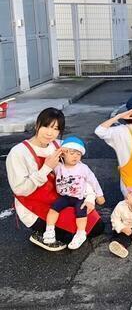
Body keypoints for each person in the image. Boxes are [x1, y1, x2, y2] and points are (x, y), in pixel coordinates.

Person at [6, 108, 104, 252]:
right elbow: (20, 190)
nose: (50, 133)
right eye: (46, 126)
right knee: (69, 236)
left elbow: (81, 173)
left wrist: (90, 197)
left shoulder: (60, 146)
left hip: (61, 198)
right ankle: (39, 232)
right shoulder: (18, 153)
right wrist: (46, 168)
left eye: (56, 129)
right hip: (33, 206)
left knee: (97, 227)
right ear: (37, 124)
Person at [43, 136, 103, 250]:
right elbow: (48, 162)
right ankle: (49, 230)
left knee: (81, 213)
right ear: (63, 153)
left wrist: (99, 195)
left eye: (78, 154)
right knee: (53, 209)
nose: (75, 156)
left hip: (79, 197)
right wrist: (59, 151)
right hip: (64, 196)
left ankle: (81, 234)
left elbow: (93, 181)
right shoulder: (58, 167)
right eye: (72, 153)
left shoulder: (83, 168)